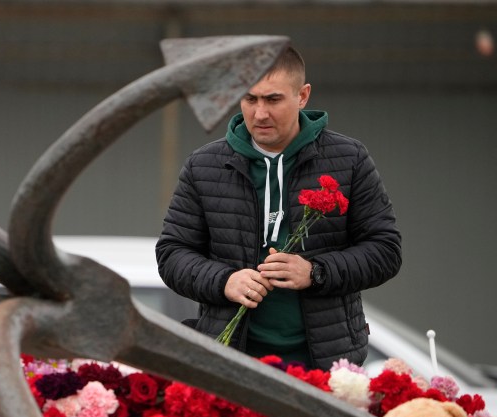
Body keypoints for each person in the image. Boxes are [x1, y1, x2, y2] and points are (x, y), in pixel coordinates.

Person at [156, 46, 401, 369]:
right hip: (230, 360)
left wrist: (314, 272)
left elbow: (385, 251)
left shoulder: (349, 158)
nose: (260, 113)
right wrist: (224, 281)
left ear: (302, 96)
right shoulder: (204, 165)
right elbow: (172, 253)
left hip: (327, 364)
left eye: (273, 99)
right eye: (249, 99)